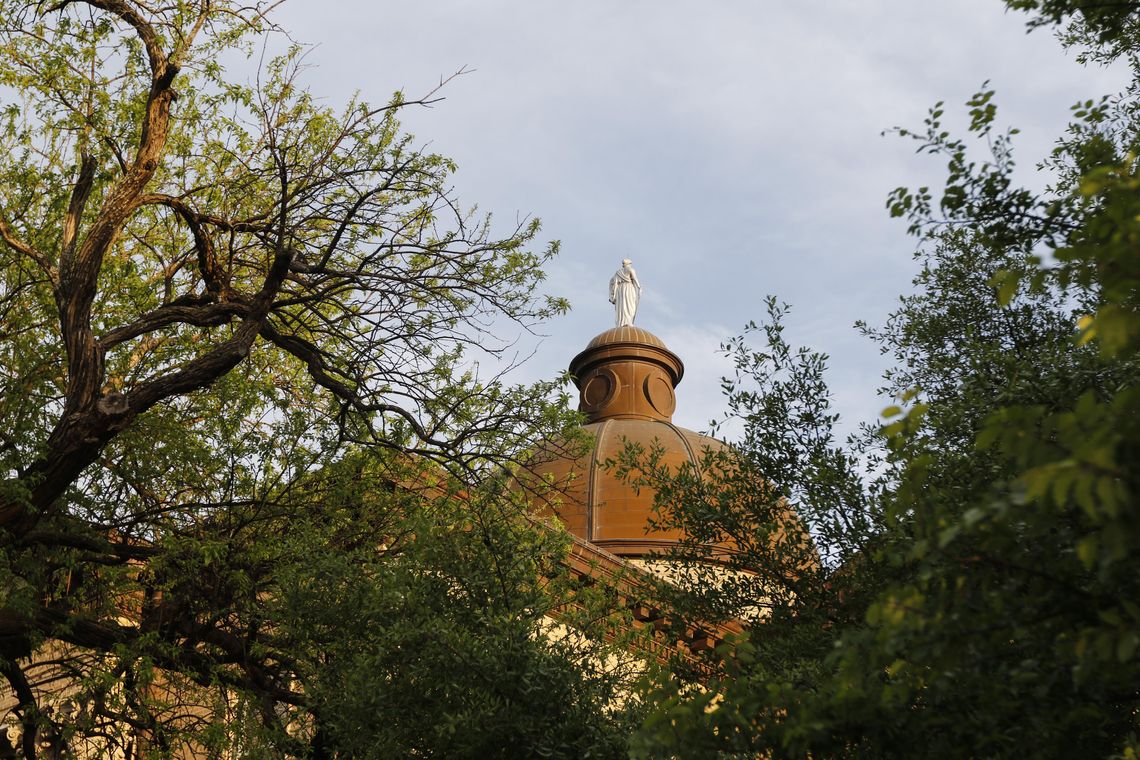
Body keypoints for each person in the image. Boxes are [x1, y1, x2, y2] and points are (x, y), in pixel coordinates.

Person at [608, 259, 641, 327]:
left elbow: (612, 281)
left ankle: (622, 322)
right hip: (629, 289)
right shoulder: (631, 269)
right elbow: (635, 279)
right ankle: (628, 321)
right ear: (629, 264)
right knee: (630, 306)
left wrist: (612, 295)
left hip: (620, 290)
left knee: (622, 305)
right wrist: (639, 287)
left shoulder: (618, 272)